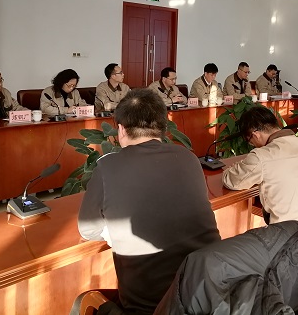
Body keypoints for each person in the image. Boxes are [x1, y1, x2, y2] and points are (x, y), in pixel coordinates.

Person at [78, 89, 220, 314]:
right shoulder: (188, 158)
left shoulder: (108, 166)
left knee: (83, 301)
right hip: (208, 295)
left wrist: (115, 232)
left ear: (121, 130)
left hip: (150, 308)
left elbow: (88, 230)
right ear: (164, 127)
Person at [222, 106, 298, 225]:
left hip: (296, 234)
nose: (252, 144)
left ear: (255, 134)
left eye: (249, 141)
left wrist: (231, 168)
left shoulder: (262, 156)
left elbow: (232, 181)